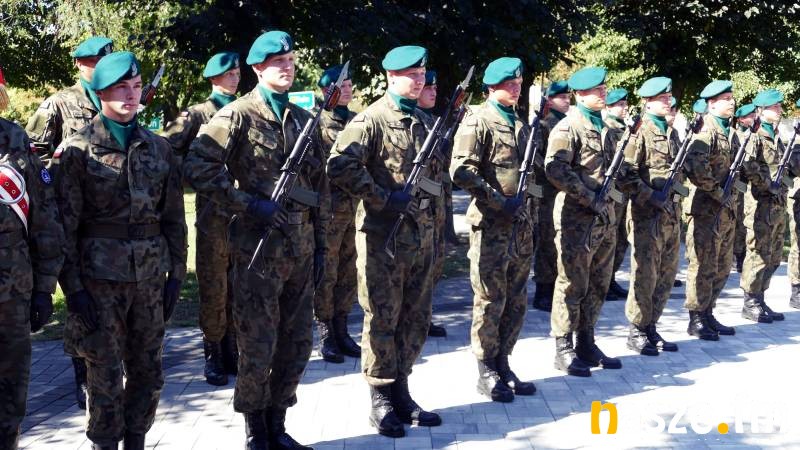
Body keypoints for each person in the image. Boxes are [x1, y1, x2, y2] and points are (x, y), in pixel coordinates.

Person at [185, 31, 325, 450]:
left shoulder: (304, 118)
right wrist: (246, 203)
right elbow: (198, 167)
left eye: (291, 60)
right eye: (278, 62)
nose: (287, 67)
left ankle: (278, 425)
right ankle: (256, 432)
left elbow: (318, 187)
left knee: (297, 344)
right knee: (258, 345)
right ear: (258, 68)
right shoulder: (237, 115)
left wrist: (320, 244)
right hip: (257, 250)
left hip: (300, 247)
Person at [55, 51, 187, 450]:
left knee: (149, 371)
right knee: (104, 374)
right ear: (100, 92)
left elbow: (174, 217)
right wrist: (74, 289)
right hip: (99, 281)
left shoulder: (159, 148)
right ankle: (104, 443)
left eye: (136, 86)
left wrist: (176, 275)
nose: (131, 95)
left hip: (149, 278)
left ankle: (136, 441)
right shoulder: (78, 150)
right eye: (120, 88)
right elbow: (65, 228)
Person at [327, 45, 442, 438]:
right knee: (382, 317)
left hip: (420, 235)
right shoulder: (371, 119)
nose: (420, 79)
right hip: (384, 239)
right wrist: (381, 196)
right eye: (412, 74)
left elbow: (434, 179)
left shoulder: (424, 120)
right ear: (392, 77)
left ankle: (402, 390)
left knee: (415, 316)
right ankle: (380, 398)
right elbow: (339, 164)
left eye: (422, 73)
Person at [25, 35, 113, 409]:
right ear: (79, 64)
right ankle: (83, 377)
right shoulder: (58, 103)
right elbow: (32, 156)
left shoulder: (114, 99)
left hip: (110, 218)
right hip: (69, 219)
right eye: (93, 62)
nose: (99, 68)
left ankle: (110, 371)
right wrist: (58, 173)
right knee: (80, 300)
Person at [451, 56, 538, 402]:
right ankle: (486, 368)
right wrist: (498, 200)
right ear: (492, 87)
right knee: (490, 300)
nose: (516, 88)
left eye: (518, 83)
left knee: (516, 300)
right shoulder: (478, 120)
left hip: (520, 227)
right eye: (509, 84)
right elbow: (461, 171)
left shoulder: (518, 123)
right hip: (491, 227)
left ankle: (503, 362)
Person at [162, 51, 241, 386]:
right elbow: (165, 151)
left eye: (237, 72)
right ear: (213, 78)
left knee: (239, 285)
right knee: (213, 286)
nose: (235, 78)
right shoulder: (196, 115)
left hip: (245, 213)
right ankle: (213, 353)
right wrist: (195, 175)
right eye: (229, 73)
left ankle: (233, 349)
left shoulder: (246, 110)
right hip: (213, 214)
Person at [0, 70, 65, 450]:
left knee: (10, 394)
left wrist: (44, 288)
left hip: (12, 294)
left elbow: (44, 218)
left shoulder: (15, 140)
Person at [545, 66, 622, 377]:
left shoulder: (607, 128)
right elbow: (555, 170)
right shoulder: (568, 128)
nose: (603, 93)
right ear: (579, 95)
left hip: (605, 217)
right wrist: (589, 196)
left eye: (603, 89)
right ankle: (563, 346)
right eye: (596, 90)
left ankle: (586, 341)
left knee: (598, 282)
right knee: (572, 283)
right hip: (577, 218)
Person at [617, 77, 682, 356]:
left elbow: (677, 173)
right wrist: (649, 195)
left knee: (666, 274)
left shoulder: (671, 132)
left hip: (670, 215)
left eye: (668, 97)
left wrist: (676, 196)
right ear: (647, 102)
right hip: (647, 216)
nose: (668, 101)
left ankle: (652, 325)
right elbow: (625, 173)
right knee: (645, 274)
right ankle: (637, 330)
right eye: (662, 98)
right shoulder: (638, 132)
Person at [313, 63, 362, 363]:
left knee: (348, 272)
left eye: (349, 85)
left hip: (355, 210)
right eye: (341, 86)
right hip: (328, 212)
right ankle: (326, 333)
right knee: (327, 274)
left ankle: (343, 329)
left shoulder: (358, 121)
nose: (346, 90)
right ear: (325, 90)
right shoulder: (316, 122)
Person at [682, 80, 738, 340]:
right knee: (703, 264)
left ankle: (708, 312)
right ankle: (696, 317)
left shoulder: (728, 131)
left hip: (725, 209)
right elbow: (695, 166)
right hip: (706, 209)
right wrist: (717, 192)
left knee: (721, 265)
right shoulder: (706, 130)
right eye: (726, 98)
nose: (731, 102)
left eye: (731, 97)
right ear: (712, 104)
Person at [739, 89, 787, 323]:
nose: (779, 110)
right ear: (761, 110)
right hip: (760, 204)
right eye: (775, 107)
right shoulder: (755, 135)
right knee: (757, 253)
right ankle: (750, 301)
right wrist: (768, 185)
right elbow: (748, 166)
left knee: (774, 256)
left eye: (779, 106)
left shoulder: (776, 134)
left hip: (777, 205)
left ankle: (760, 297)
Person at [532, 80, 570, 312]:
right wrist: (552, 173)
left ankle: (555, 286)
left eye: (568, 97)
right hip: (548, 192)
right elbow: (536, 158)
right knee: (547, 241)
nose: (567, 101)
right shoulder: (544, 124)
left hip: (563, 191)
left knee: (558, 241)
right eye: (562, 97)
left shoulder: (566, 123)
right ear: (550, 100)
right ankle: (543, 291)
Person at [417, 69, 449, 338]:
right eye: (428, 87)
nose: (433, 92)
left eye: (434, 87)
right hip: (417, 210)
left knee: (434, 265)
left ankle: (424, 316)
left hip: (435, 209)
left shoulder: (431, 122)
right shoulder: (417, 123)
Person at [603, 87, 630, 302]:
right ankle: (604, 281)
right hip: (614, 191)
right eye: (620, 104)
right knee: (610, 237)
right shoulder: (608, 128)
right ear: (609, 107)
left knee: (621, 238)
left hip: (625, 191)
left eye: (625, 104)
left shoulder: (626, 128)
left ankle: (610, 278)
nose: (625, 107)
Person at [730, 103, 757, 274]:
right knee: (736, 220)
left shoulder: (754, 136)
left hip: (748, 185)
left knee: (744, 221)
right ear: (740, 119)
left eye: (754, 115)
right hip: (737, 184)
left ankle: (741, 255)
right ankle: (735, 254)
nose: (753, 118)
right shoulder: (736, 135)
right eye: (750, 116)